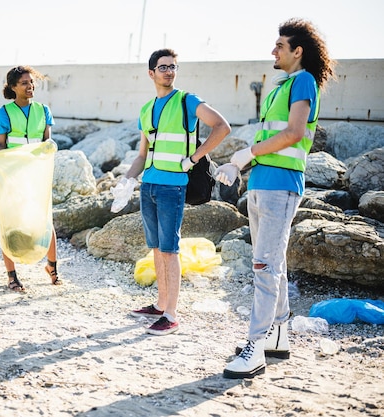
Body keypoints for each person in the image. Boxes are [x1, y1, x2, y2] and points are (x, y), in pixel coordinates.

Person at [216, 19, 335, 379]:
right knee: (270, 263)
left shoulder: (303, 81)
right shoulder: (281, 86)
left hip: (281, 185)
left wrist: (244, 155)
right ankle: (277, 334)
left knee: (264, 268)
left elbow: (294, 133)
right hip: (263, 184)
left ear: (297, 51)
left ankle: (254, 348)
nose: (273, 50)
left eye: (280, 46)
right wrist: (244, 165)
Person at [122, 49, 231, 335]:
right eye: (163, 67)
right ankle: (159, 305)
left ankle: (171, 314)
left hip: (174, 186)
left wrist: (194, 158)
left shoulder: (187, 100)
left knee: (170, 249)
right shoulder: (146, 110)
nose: (169, 71)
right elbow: (142, 154)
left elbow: (222, 127)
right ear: (151, 73)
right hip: (149, 185)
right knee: (157, 248)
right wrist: (127, 180)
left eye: (173, 67)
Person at [0, 65, 61, 292]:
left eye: (31, 82)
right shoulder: (4, 113)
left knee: (45, 221)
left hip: (37, 173)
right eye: (25, 83)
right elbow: (2, 144)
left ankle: (52, 268)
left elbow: (48, 140)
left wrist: (51, 145)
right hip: (13, 174)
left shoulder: (43, 110)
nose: (30, 86)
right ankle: (12, 277)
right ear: (13, 87)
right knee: (10, 223)